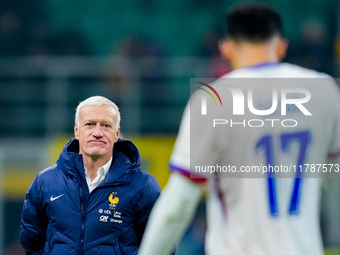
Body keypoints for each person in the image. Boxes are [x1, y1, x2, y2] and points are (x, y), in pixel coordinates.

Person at [138, 2, 340, 255]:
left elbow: (177, 207)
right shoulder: (323, 90)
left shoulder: (214, 99)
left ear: (226, 48)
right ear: (281, 47)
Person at [20, 96, 161, 254]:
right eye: (89, 124)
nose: (97, 133)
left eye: (106, 125)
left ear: (117, 133)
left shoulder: (143, 185)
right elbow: (31, 241)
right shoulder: (45, 182)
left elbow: (160, 245)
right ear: (77, 131)